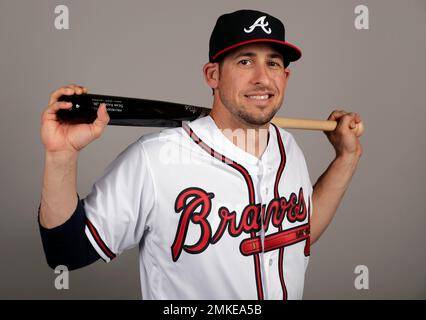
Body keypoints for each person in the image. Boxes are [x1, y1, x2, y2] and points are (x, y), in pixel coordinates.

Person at [38, 9, 362, 300]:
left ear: (285, 77)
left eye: (273, 63)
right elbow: (67, 252)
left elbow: (296, 233)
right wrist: (61, 155)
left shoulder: (288, 146)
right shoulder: (155, 159)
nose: (262, 77)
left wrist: (346, 158)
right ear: (213, 75)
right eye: (245, 61)